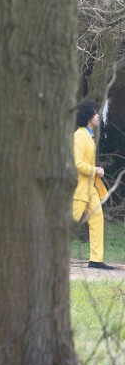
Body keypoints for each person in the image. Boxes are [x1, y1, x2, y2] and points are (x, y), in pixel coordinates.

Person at [74, 100, 114, 270]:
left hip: (90, 189)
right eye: (95, 112)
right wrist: (95, 169)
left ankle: (96, 260)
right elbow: (77, 163)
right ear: (88, 116)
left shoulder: (88, 135)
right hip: (78, 189)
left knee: (97, 219)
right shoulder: (79, 136)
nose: (98, 115)